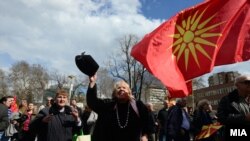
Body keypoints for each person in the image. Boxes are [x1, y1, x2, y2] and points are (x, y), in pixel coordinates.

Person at [87, 74, 151, 141]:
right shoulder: (109, 105)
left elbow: (147, 120)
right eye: (118, 88)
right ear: (114, 93)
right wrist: (92, 82)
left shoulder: (138, 105)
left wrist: (145, 135)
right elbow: (93, 103)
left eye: (124, 88)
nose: (121, 89)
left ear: (129, 92)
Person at [217, 74, 250, 140]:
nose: (249, 84)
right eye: (247, 82)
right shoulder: (227, 99)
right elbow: (222, 118)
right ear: (237, 85)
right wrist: (244, 118)